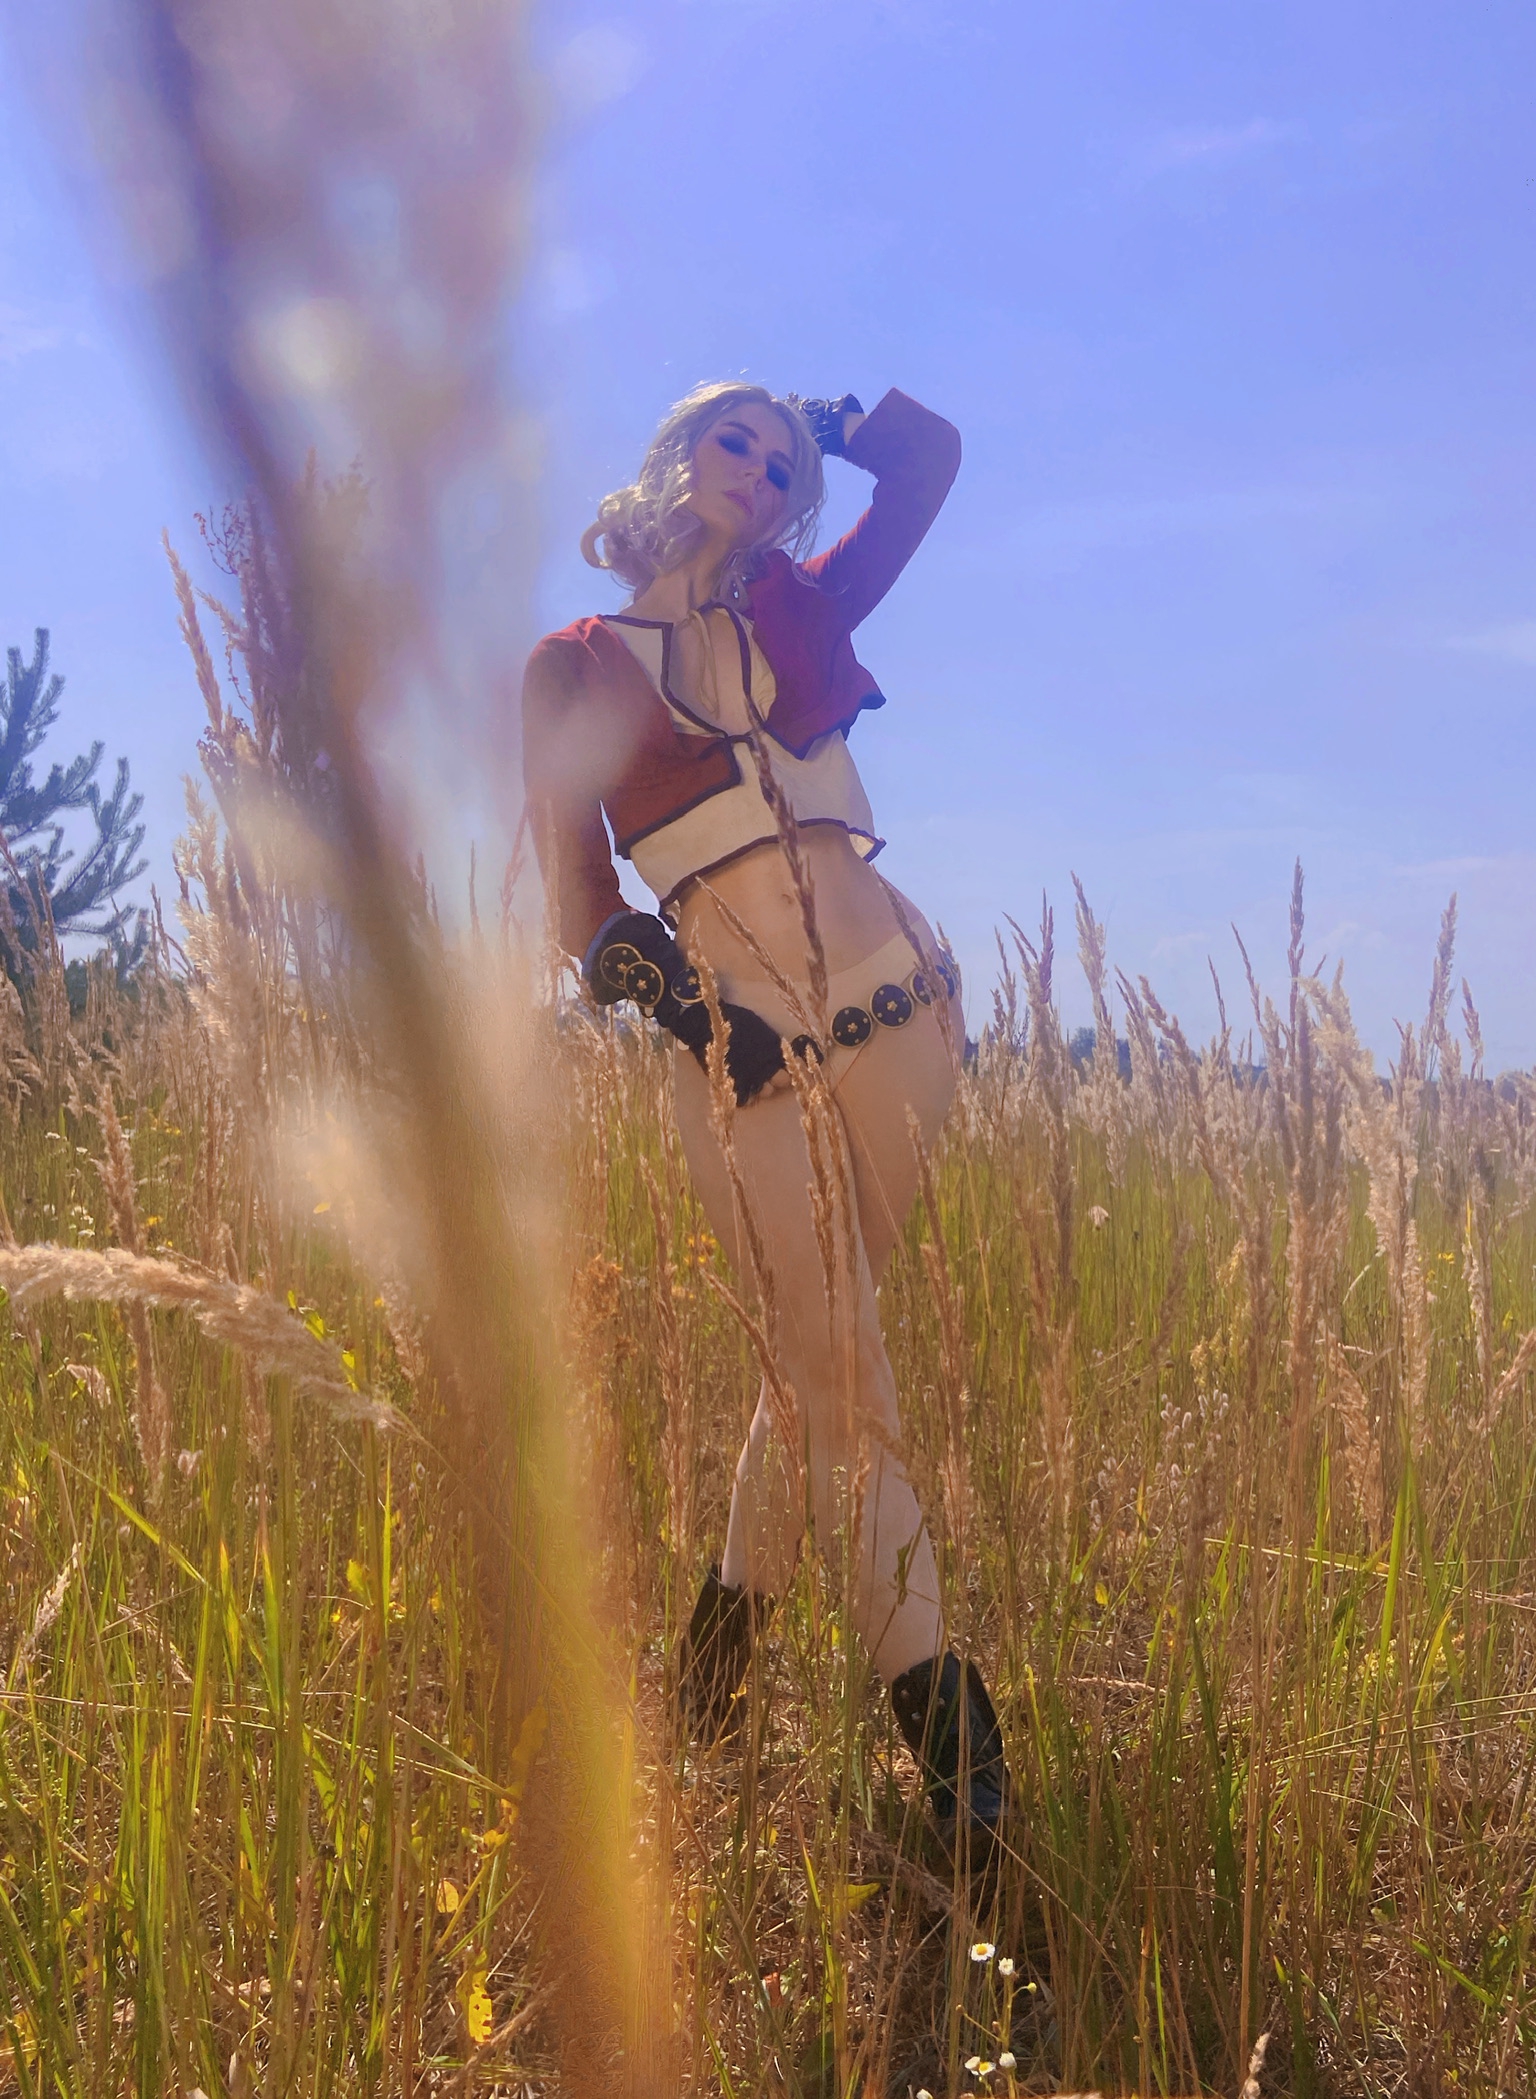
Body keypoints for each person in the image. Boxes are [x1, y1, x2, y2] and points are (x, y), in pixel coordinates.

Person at [521, 379, 1008, 1861]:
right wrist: (692, 1017)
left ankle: (717, 1664)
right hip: (742, 1042)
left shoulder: (805, 601)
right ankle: (958, 1753)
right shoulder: (575, 664)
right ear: (674, 457)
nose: (760, 467)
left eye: (783, 461)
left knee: (820, 1351)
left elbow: (932, 462)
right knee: (842, 1366)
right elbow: (578, 897)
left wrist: (836, 417)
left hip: (902, 1007)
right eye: (732, 438)